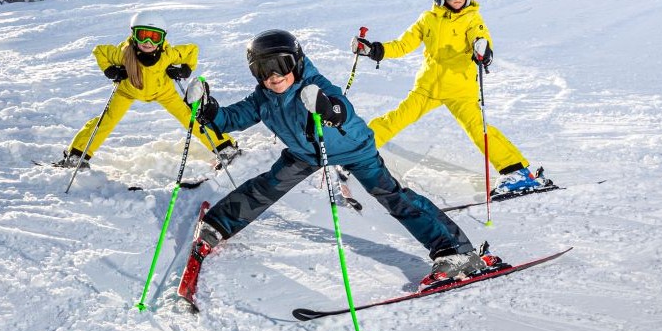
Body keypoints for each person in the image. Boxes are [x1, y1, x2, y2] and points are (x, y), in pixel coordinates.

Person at [184, 29, 497, 288]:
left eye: (282, 64)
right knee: (267, 186)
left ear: (297, 62)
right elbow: (227, 120)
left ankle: (455, 251)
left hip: (354, 148)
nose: (275, 75)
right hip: (306, 153)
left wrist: (325, 108)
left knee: (392, 196)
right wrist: (207, 109)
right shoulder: (263, 98)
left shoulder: (316, 86)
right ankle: (218, 225)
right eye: (264, 69)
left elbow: (339, 109)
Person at [352, 0, 543, 193]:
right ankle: (354, 151)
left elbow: (481, 38)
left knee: (479, 129)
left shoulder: (472, 19)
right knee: (396, 119)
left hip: (460, 89)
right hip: (428, 87)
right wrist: (375, 50)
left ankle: (517, 172)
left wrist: (483, 51)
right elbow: (403, 44)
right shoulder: (427, 19)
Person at [54, 10, 238, 170]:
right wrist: (111, 70)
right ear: (134, 35)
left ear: (162, 38)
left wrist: (185, 69)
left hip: (163, 92)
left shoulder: (168, 54)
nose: (148, 42)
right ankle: (77, 155)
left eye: (155, 37)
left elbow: (192, 50)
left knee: (189, 117)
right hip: (127, 91)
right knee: (106, 121)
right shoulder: (123, 54)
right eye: (143, 35)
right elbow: (100, 51)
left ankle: (225, 147)